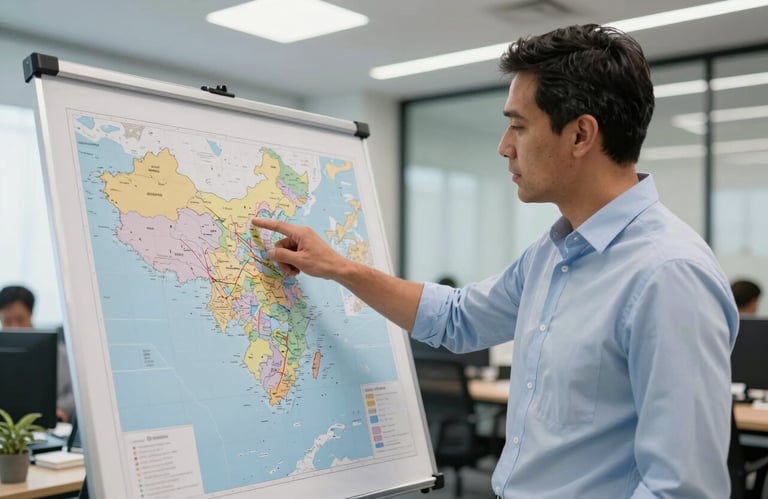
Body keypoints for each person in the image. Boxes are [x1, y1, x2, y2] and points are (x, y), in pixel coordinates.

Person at [251, 23, 738, 498]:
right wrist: (338, 267)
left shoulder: (669, 275)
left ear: (580, 136)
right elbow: (457, 318)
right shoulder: (553, 253)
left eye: (518, 126)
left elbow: (680, 488)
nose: (505, 147)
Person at [0, 285, 75, 423]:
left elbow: (76, 393)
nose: (15, 327)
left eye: (20, 319)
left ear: (31, 315)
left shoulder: (61, 355)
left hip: (50, 426)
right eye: (7, 321)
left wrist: (58, 408)